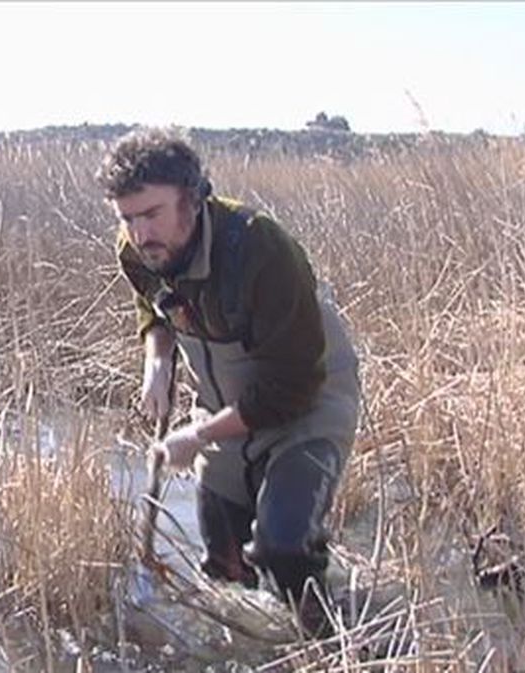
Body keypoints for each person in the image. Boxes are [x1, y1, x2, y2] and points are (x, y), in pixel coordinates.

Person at [100, 128, 360, 637]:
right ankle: (252, 648)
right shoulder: (136, 250)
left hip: (308, 398)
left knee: (282, 549)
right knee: (225, 567)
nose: (139, 232)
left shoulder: (260, 248)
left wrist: (196, 437)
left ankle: (334, 643)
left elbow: (291, 387)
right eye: (127, 218)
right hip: (222, 402)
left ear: (193, 200)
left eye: (152, 214)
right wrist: (157, 358)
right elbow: (152, 306)